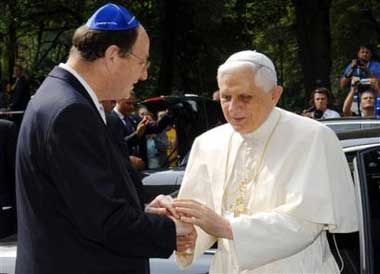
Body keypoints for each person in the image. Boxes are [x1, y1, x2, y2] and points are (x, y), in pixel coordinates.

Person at [15, 4, 195, 274]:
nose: (144, 74)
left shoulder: (65, 99)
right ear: (113, 56)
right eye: (142, 61)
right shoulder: (70, 111)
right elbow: (105, 222)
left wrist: (144, 210)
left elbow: (81, 204)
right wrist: (174, 230)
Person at [173, 50, 358, 273]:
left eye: (245, 97)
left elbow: (305, 223)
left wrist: (227, 228)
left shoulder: (312, 137)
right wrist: (183, 232)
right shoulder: (208, 143)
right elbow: (200, 217)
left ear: (274, 95)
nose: (232, 108)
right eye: (226, 97)